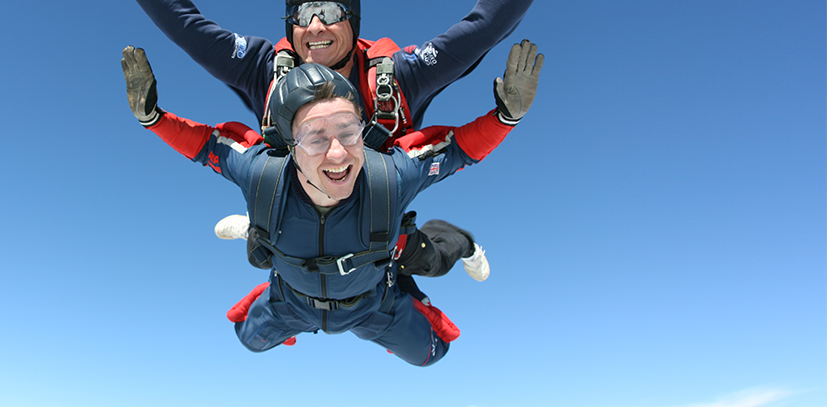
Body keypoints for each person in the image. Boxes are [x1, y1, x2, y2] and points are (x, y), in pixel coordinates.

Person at [74, 0, 600, 281]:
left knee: (423, 269)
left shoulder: (398, 77)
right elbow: (187, 26)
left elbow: (477, 30)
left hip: (379, 214)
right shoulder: (263, 68)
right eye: (303, 15)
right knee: (272, 232)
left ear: (354, 22)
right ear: (289, 28)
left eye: (331, 12)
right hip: (296, 206)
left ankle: (458, 241)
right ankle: (263, 222)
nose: (317, 26)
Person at [119, 39, 543, 366]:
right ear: (288, 146)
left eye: (348, 130)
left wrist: (508, 114)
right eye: (315, 137)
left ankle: (454, 241)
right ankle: (260, 232)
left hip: (374, 304)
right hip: (292, 303)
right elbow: (206, 144)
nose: (338, 154)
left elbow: (458, 150)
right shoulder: (262, 173)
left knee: (431, 353)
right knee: (247, 340)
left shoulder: (390, 176)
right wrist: (150, 117)